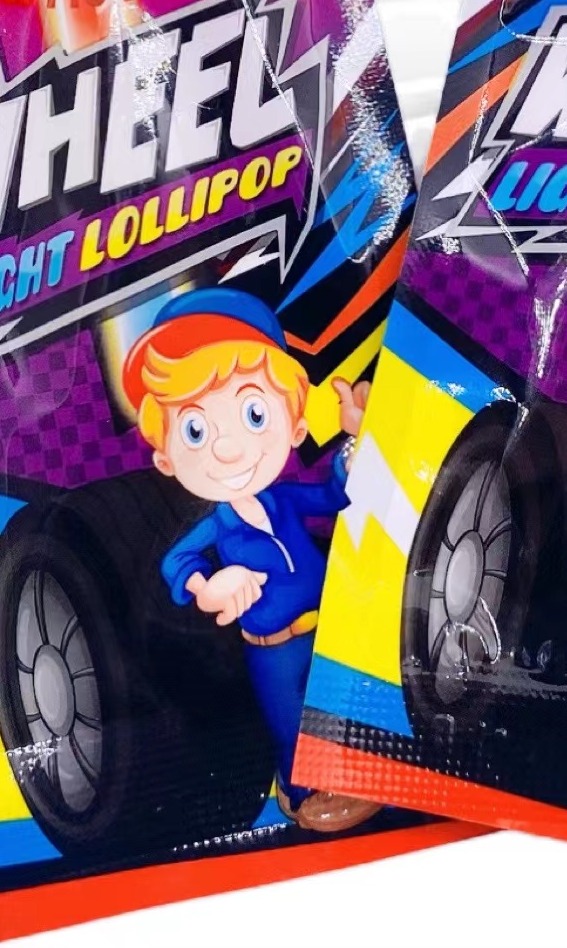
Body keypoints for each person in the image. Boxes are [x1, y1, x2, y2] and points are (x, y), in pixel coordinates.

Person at [125, 287, 381, 832]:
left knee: (337, 708)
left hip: (326, 628)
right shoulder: (218, 524)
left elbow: (334, 495)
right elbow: (177, 562)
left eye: (254, 414)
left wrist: (356, 441)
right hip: (273, 648)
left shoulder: (283, 499)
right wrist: (207, 586)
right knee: (291, 724)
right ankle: (301, 793)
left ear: (294, 424)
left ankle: (350, 775)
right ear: (166, 458)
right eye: (195, 430)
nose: (228, 447)